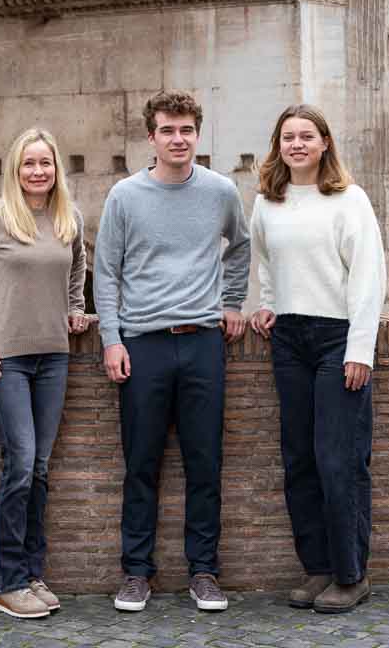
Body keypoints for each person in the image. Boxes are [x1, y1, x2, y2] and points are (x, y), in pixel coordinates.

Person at [93, 89, 250, 615]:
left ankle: (204, 572)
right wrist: (111, 338)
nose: (177, 139)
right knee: (141, 464)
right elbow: (106, 272)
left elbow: (241, 247)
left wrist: (232, 302)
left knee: (205, 463)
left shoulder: (221, 191)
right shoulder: (124, 196)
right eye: (167, 130)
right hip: (143, 345)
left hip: (204, 341)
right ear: (151, 136)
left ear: (197, 135)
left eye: (186, 130)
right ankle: (136, 573)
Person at [250, 104, 386, 614]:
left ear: (325, 142)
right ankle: (318, 569)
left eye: (307, 135)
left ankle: (351, 574)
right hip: (289, 339)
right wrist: (267, 304)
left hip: (337, 339)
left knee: (339, 460)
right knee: (299, 460)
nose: (298, 144)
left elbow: (367, 277)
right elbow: (265, 261)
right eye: (288, 137)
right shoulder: (268, 201)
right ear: (278, 145)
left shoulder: (349, 200)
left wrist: (360, 349)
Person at [0, 128, 88, 620]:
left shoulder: (68, 218)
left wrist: (75, 307)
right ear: (15, 170)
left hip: (54, 357)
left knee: (41, 469)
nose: (37, 171)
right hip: (5, 359)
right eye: (28, 163)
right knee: (21, 463)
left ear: (56, 170)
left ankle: (32, 573)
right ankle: (7, 582)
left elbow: (77, 270)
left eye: (45, 164)